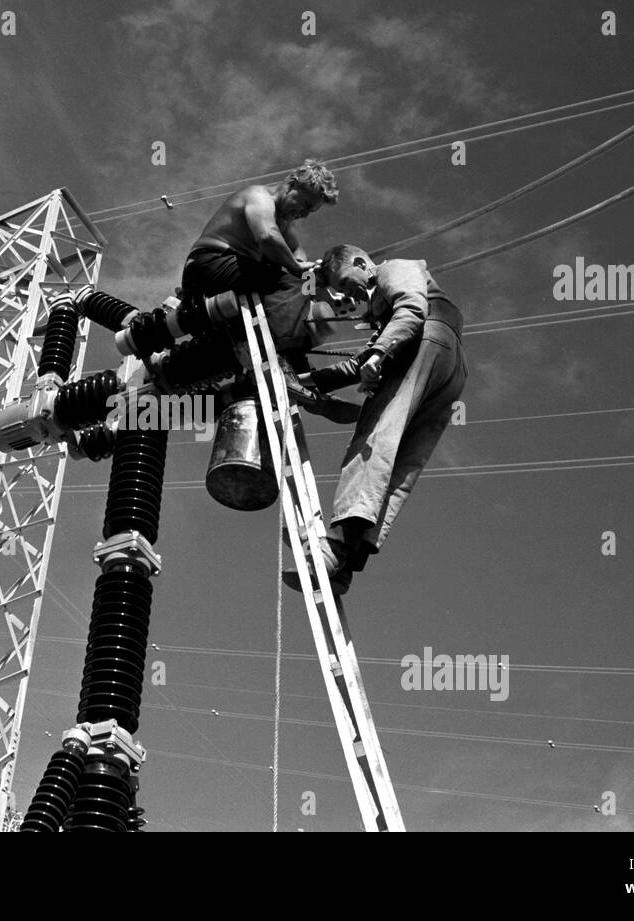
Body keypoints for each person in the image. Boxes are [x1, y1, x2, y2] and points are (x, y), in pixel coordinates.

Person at [283, 244, 467, 594]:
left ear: (360, 262)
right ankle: (347, 561)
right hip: (449, 368)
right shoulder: (387, 318)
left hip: (428, 340)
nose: (344, 292)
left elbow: (413, 308)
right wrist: (305, 382)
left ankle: (333, 545)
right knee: (400, 463)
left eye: (344, 280)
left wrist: (381, 352)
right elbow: (358, 364)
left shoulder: (393, 269)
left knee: (373, 439)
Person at [181, 159, 338, 302]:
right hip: (208, 265)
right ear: (293, 185)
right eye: (306, 205)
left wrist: (305, 269)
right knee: (289, 287)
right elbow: (267, 237)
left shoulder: (284, 222)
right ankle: (288, 332)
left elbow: (296, 249)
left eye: (311, 211)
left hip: (232, 273)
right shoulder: (259, 197)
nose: (305, 214)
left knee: (286, 278)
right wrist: (295, 268)